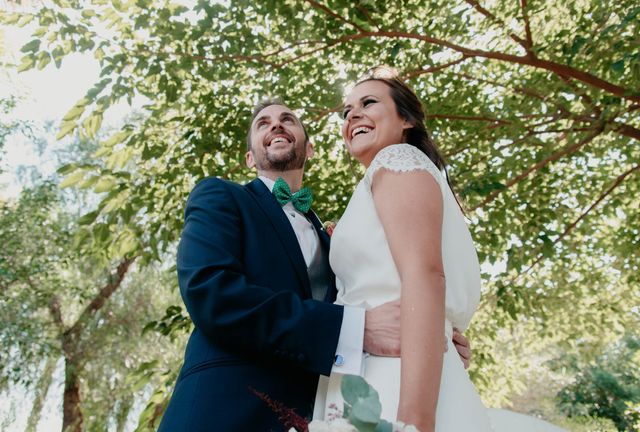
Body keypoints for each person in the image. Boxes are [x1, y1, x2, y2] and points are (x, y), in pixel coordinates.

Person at [158, 99, 472, 432]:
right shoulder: (219, 196)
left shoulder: (334, 242)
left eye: (287, 119)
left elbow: (374, 302)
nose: (276, 125)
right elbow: (212, 294)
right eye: (263, 124)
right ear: (250, 158)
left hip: (316, 417)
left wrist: (428, 333)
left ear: (309, 149)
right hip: (224, 411)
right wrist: (356, 328)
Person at [314, 66, 566, 432]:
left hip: (394, 380)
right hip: (362, 374)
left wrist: (413, 423)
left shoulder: (396, 161)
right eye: (347, 111)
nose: (353, 115)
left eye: (369, 102)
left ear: (407, 120)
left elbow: (425, 275)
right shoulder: (382, 179)